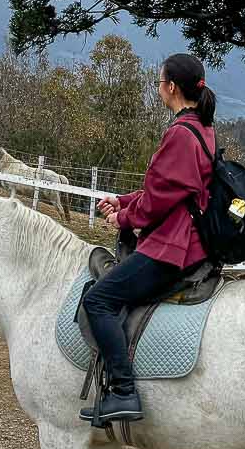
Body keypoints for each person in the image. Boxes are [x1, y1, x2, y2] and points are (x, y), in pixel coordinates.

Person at [78, 52, 216, 427]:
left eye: (159, 82)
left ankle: (123, 391)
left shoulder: (179, 134)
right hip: (187, 238)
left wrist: (124, 217)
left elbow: (158, 201)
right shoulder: (200, 129)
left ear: (171, 87)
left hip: (173, 246)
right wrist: (123, 200)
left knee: (98, 300)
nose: (158, 88)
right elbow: (165, 190)